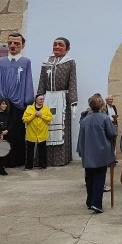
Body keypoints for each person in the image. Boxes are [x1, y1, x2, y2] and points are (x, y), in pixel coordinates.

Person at [0, 31, 34, 168]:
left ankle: (17, 161)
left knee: (17, 132)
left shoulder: (25, 62)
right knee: (1, 132)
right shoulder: (1, 62)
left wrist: (27, 99)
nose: (13, 45)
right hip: (3, 102)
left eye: (16, 43)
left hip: (18, 103)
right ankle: (2, 161)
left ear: (22, 45)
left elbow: (28, 80)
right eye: (10, 43)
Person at [36, 36, 78, 167]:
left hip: (62, 99)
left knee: (62, 129)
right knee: (44, 126)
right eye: (55, 44)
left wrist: (73, 100)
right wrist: (39, 96)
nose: (57, 47)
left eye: (60, 45)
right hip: (47, 98)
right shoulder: (46, 62)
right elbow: (42, 81)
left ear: (67, 48)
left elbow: (72, 82)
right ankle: (44, 159)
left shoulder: (70, 62)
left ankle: (61, 159)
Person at [76, 94, 117, 213]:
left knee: (89, 178)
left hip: (87, 152)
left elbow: (81, 136)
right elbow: (111, 134)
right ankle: (96, 203)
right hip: (101, 152)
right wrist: (114, 127)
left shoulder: (84, 120)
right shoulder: (104, 118)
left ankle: (89, 201)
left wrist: (81, 151)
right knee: (99, 178)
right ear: (100, 106)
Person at [23, 93, 53, 169]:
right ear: (36, 100)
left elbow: (50, 118)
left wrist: (41, 115)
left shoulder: (46, 108)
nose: (42, 100)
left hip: (42, 133)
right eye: (40, 99)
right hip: (31, 133)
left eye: (43, 99)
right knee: (30, 151)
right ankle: (29, 166)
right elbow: (24, 119)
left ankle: (43, 166)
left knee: (42, 151)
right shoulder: (29, 108)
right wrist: (34, 115)